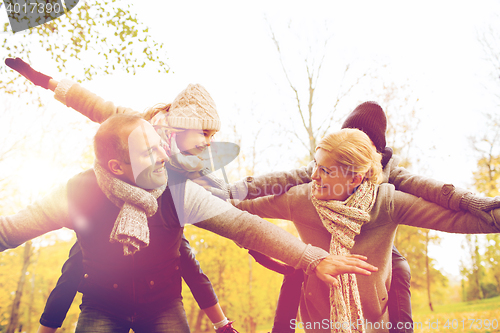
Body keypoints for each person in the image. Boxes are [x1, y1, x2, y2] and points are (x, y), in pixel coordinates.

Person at [0, 114, 377, 332]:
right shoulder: (76, 193)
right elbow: (11, 231)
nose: (164, 155)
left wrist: (311, 257)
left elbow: (244, 226)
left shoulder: (177, 192)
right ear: (118, 168)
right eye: (149, 152)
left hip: (162, 305)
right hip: (102, 306)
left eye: (159, 143)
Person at [4, 58, 241, 332]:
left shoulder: (193, 160)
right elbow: (95, 105)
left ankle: (221, 322)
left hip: (160, 219)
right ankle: (47, 327)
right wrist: (44, 80)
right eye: (204, 131)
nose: (207, 140)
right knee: (75, 266)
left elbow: (221, 194)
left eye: (210, 134)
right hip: (110, 207)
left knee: (185, 257)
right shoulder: (137, 125)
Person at [235, 128, 500, 332]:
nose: (314, 175)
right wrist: (200, 197)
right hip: (318, 324)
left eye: (325, 170)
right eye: (315, 165)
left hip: (374, 324)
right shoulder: (301, 199)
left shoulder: (386, 202)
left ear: (355, 178)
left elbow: (452, 219)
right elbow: (240, 206)